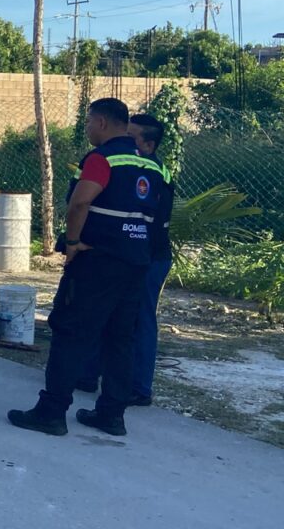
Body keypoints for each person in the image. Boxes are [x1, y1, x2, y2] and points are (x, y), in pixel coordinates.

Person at [8, 98, 167, 438]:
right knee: (120, 339)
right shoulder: (152, 166)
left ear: (103, 123)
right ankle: (111, 415)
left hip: (98, 260)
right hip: (136, 262)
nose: (87, 129)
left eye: (89, 123)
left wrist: (74, 242)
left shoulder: (102, 158)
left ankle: (51, 412)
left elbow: (81, 201)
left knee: (70, 331)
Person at [78, 113, 175, 406]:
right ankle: (87, 374)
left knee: (140, 319)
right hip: (129, 252)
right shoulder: (123, 163)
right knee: (106, 311)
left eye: (131, 137)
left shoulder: (155, 171)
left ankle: (139, 387)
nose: (125, 142)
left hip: (150, 255)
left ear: (148, 144)